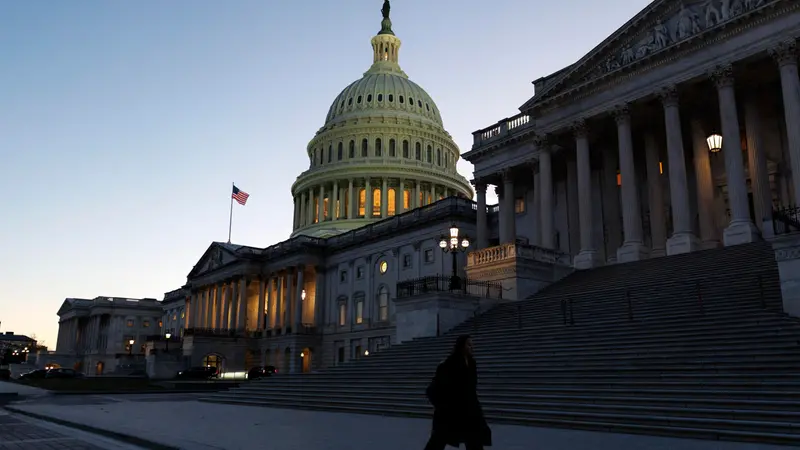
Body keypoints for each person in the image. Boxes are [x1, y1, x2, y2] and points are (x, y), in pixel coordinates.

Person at [424, 335, 492, 450]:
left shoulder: (472, 363)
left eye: (472, 344)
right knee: (438, 440)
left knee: (475, 441)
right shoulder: (448, 364)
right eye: (469, 344)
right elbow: (434, 389)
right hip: (451, 411)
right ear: (461, 346)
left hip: (470, 411)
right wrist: (443, 406)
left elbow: (471, 389)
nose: (472, 347)